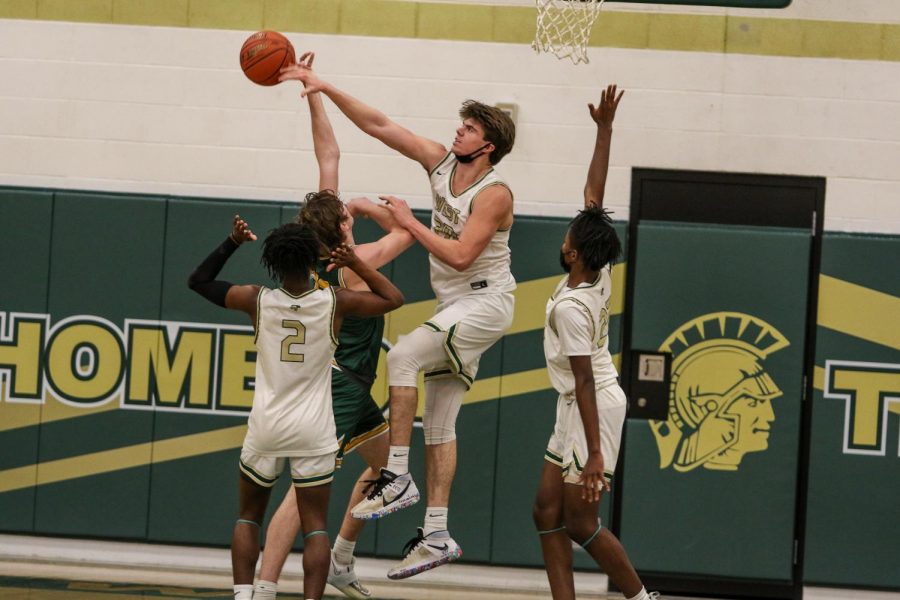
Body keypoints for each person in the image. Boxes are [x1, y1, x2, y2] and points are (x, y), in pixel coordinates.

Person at [279, 61, 517, 579]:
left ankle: (397, 477)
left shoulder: (495, 194)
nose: (458, 129)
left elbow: (458, 257)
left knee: (405, 354)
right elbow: (379, 125)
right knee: (440, 421)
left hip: (484, 301)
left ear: (488, 147)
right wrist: (324, 86)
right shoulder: (438, 163)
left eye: (470, 127)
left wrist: (409, 220)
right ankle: (435, 533)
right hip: (454, 306)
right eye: (462, 124)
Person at [255, 53, 416, 600]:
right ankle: (264, 586)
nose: (347, 206)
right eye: (346, 211)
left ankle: (342, 557)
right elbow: (408, 231)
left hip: (343, 382)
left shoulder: (314, 243)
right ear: (343, 226)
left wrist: (312, 90)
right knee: (301, 497)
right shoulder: (356, 257)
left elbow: (329, 153)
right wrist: (375, 208)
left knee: (392, 471)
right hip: (338, 386)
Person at [187, 216, 404, 600]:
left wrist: (232, 242)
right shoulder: (333, 302)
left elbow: (199, 281)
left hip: (266, 425)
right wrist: (355, 263)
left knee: (247, 516)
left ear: (272, 261)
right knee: (316, 527)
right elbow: (393, 299)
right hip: (314, 430)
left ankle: (246, 595)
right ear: (311, 261)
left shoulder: (257, 299)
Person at [531, 85, 657, 600]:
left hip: (593, 403)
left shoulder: (570, 306)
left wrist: (597, 454)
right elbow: (593, 198)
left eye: (569, 234)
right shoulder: (597, 271)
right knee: (545, 510)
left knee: (581, 521)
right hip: (576, 403)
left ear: (574, 252)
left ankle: (642, 598)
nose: (565, 234)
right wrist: (604, 131)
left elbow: (584, 379)